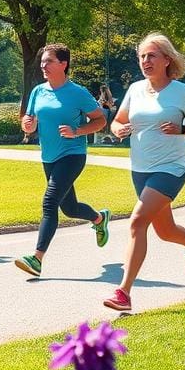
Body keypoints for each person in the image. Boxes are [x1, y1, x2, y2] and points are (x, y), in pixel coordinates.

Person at [103, 33, 185, 312]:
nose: (145, 61)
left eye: (151, 55)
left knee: (137, 221)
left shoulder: (181, 92)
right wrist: (118, 130)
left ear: (167, 59)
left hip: (170, 169)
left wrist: (184, 129)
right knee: (165, 231)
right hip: (140, 169)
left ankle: (124, 292)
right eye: (141, 56)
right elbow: (117, 121)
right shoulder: (136, 89)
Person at [15, 43, 110, 278]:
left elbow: (100, 121)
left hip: (73, 154)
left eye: (48, 61)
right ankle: (100, 218)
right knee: (69, 208)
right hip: (49, 156)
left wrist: (77, 131)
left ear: (63, 64)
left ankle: (36, 259)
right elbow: (29, 119)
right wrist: (28, 124)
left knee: (49, 202)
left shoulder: (77, 93)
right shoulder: (38, 91)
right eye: (42, 62)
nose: (43, 65)